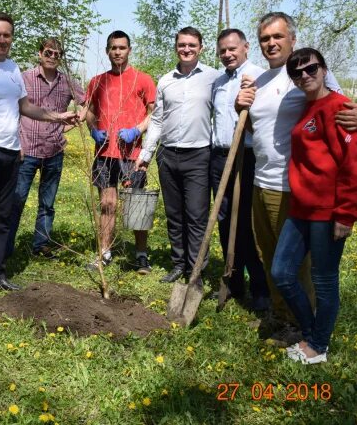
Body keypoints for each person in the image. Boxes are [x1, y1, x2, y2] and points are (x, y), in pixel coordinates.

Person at [235, 11, 357, 339]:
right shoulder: (260, 81)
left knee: (296, 266)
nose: (271, 44)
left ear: (292, 39)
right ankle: (281, 315)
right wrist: (242, 106)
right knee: (270, 258)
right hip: (260, 181)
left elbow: (342, 108)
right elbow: (259, 130)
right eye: (266, 39)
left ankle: (302, 325)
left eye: (278, 37)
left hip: (291, 187)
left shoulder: (305, 72)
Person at [0, 12, 77, 293]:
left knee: (2, 215)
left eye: (6, 35)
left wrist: (59, 116)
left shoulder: (12, 69)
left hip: (11, 152)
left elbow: (26, 107)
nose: (2, 40)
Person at [269, 48, 357, 364]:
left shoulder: (338, 108)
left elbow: (351, 165)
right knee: (282, 272)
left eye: (311, 69)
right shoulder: (307, 107)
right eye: (297, 73)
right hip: (301, 209)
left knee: (324, 281)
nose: (305, 76)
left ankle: (318, 346)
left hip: (328, 213)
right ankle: (312, 331)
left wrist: (347, 214)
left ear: (324, 69)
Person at [139, 27, 220, 284]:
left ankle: (196, 270)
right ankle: (178, 263)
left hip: (198, 155)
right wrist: (147, 153)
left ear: (201, 47)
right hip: (168, 155)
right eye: (182, 45)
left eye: (192, 45)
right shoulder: (166, 80)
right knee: (174, 214)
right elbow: (157, 120)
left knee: (196, 215)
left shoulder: (213, 78)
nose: (186, 49)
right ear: (176, 47)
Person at [6, 38, 85, 259]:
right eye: (48, 53)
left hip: (54, 150)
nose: (52, 57)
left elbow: (86, 101)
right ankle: (5, 246)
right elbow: (12, 109)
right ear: (40, 53)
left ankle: (40, 245)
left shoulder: (66, 82)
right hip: (27, 149)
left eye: (57, 54)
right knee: (16, 200)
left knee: (48, 203)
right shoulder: (24, 78)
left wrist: (80, 117)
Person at [85, 31, 156, 272]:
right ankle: (105, 252)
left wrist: (137, 130)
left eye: (122, 48)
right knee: (107, 203)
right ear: (107, 51)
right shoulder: (97, 81)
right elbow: (90, 111)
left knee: (137, 204)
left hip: (132, 154)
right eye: (113, 48)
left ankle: (141, 254)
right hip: (105, 153)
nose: (118, 52)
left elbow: (154, 113)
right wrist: (94, 129)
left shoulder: (143, 79)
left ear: (129, 50)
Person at [210, 28, 270, 310]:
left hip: (247, 157)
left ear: (246, 47)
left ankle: (261, 287)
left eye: (232, 49)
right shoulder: (219, 82)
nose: (227, 54)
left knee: (247, 223)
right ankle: (233, 282)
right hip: (220, 156)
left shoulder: (258, 77)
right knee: (224, 221)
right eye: (222, 50)